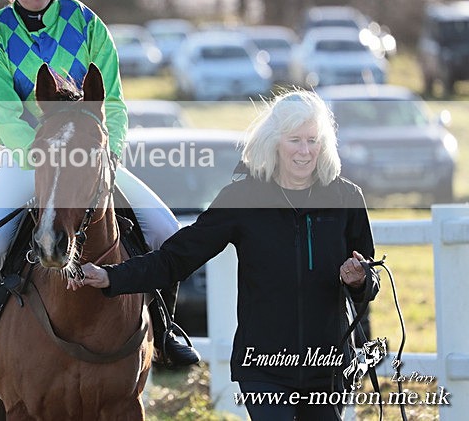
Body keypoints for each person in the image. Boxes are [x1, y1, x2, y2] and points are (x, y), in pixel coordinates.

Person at [0, 0, 200, 377]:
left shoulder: (86, 23)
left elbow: (113, 101)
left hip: (93, 158)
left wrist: (109, 150)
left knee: (164, 230)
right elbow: (5, 115)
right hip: (30, 160)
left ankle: (166, 329)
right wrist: (48, 158)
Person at [71, 90, 380, 421]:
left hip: (327, 368)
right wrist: (111, 276)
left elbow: (370, 282)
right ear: (275, 141)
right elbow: (177, 257)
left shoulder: (346, 198)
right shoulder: (242, 198)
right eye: (295, 140)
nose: (305, 151)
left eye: (312, 140)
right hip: (264, 367)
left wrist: (360, 279)